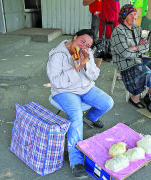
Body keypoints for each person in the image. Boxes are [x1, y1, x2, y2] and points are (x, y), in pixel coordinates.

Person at [46, 29, 114, 179]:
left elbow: (95, 75)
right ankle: (76, 161)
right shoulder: (58, 55)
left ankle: (91, 117)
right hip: (65, 91)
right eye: (82, 41)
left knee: (108, 103)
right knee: (76, 117)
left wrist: (85, 65)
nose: (84, 46)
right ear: (75, 37)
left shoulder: (86, 51)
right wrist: (75, 68)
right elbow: (56, 81)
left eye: (88, 45)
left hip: (86, 88)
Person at [111, 4, 151, 109]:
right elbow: (124, 53)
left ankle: (149, 95)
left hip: (139, 57)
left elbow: (146, 46)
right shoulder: (118, 32)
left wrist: (134, 47)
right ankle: (134, 98)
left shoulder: (137, 28)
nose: (134, 17)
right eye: (131, 15)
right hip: (124, 61)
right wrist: (139, 48)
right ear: (124, 16)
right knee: (145, 71)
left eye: (135, 14)